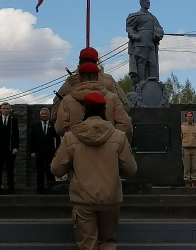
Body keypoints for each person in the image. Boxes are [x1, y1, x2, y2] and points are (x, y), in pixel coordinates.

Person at [51, 92, 137, 250]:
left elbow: (56, 169)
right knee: (108, 243)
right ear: (104, 110)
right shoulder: (118, 137)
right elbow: (131, 169)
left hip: (83, 199)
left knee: (87, 245)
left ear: (84, 110)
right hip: (110, 198)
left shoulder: (71, 137)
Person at [55, 63, 132, 142]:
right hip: (108, 150)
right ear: (98, 77)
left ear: (80, 78)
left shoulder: (67, 100)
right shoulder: (113, 97)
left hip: (77, 150)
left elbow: (60, 127)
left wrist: (73, 140)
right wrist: (114, 140)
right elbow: (126, 125)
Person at [51, 47, 130, 121]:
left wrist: (69, 132)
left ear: (79, 64)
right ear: (96, 63)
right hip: (108, 131)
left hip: (76, 133)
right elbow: (125, 107)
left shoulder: (69, 83)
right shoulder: (108, 81)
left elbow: (54, 114)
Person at [126, 0, 164, 87]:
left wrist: (159, 34)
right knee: (141, 63)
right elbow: (129, 27)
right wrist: (134, 36)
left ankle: (154, 84)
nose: (149, 4)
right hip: (141, 42)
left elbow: (159, 28)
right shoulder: (136, 15)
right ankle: (141, 82)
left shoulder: (152, 17)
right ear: (142, 3)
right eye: (147, 2)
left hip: (151, 43)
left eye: (149, 2)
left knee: (153, 64)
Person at [0, 103, 19, 194]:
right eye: (4, 108)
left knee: (10, 170)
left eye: (7, 108)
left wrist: (15, 147)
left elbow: (16, 135)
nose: (5, 110)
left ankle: (11, 188)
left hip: (10, 149)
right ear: (1, 109)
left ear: (10, 109)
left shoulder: (13, 120)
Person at [30, 107, 61, 194]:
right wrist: (32, 151)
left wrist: (56, 150)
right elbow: (32, 139)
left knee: (50, 172)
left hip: (50, 153)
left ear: (49, 115)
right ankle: (40, 190)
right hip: (39, 153)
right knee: (39, 172)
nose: (44, 115)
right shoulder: (35, 126)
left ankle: (52, 189)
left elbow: (58, 139)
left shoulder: (53, 126)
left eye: (45, 114)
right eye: (42, 114)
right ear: (40, 115)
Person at [181, 110, 196, 187]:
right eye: (188, 116)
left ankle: (194, 180)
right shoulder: (182, 127)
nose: (190, 118)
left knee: (195, 166)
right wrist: (180, 150)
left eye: (191, 116)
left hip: (195, 149)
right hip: (185, 149)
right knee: (186, 167)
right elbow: (179, 139)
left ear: (193, 117)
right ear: (186, 118)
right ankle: (187, 180)